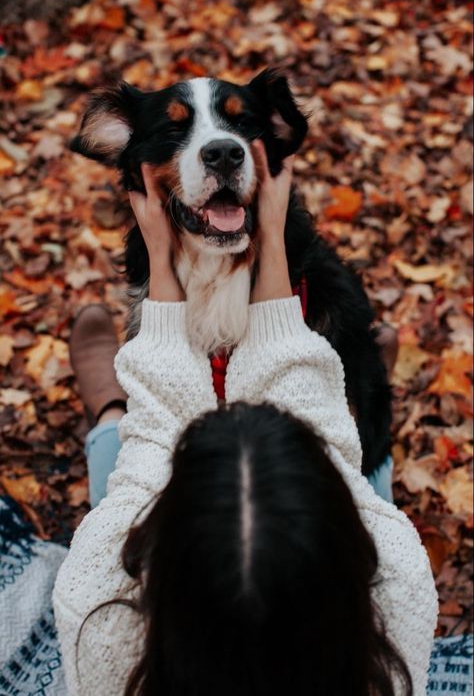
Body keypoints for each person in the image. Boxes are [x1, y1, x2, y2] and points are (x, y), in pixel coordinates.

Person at [53, 143, 438, 695]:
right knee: (360, 470)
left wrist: (159, 262)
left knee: (128, 445)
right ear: (341, 558)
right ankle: (351, 391)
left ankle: (108, 410)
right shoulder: (398, 584)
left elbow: (156, 437)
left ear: (156, 548)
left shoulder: (98, 613)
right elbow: (323, 435)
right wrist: (273, 244)